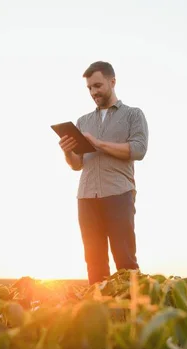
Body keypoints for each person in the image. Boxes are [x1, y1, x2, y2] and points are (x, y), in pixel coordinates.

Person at [59, 61, 149, 285]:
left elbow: (138, 150)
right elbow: (77, 164)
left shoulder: (133, 115)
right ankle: (103, 316)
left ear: (112, 82)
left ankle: (134, 316)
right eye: (89, 88)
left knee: (125, 262)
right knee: (95, 264)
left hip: (119, 193)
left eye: (97, 86)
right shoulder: (83, 121)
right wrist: (67, 151)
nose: (93, 92)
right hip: (87, 196)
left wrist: (98, 143)